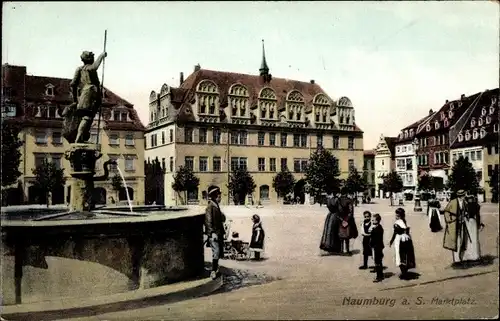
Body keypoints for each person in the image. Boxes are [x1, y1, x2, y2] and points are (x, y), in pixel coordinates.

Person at [65, 51, 107, 144]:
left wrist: (75, 99)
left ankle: (82, 136)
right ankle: (79, 138)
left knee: (89, 117)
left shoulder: (79, 69)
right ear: (89, 59)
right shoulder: (88, 68)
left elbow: (73, 85)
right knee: (87, 116)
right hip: (91, 93)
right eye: (92, 57)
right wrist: (102, 55)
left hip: (86, 93)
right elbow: (95, 66)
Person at [443, 190, 484, 263]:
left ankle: (461, 257)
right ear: (460, 196)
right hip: (454, 224)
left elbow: (468, 212)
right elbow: (446, 211)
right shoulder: (453, 202)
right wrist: (450, 220)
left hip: (463, 225)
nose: (464, 197)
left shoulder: (465, 202)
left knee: (462, 241)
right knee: (455, 241)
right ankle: (456, 259)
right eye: (463, 195)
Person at [205, 185, 226, 279]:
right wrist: (212, 233)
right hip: (214, 234)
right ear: (214, 196)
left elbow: (222, 218)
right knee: (216, 252)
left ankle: (215, 268)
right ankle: (213, 271)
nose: (220, 197)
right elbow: (208, 222)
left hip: (218, 233)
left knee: (218, 252)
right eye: (219, 196)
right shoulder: (210, 207)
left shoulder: (216, 206)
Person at [389, 208, 416, 279]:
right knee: (406, 255)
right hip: (406, 239)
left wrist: (391, 241)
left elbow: (395, 233)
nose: (395, 216)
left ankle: (404, 273)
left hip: (399, 240)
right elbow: (407, 230)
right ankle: (405, 271)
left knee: (399, 255)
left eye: (397, 215)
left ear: (398, 216)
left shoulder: (397, 223)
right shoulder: (404, 221)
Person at [369, 213, 385, 282]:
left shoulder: (378, 229)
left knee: (377, 262)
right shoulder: (378, 227)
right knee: (378, 261)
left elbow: (375, 238)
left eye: (373, 220)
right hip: (377, 246)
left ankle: (379, 276)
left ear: (377, 221)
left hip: (377, 247)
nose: (372, 222)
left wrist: (371, 231)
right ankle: (380, 274)